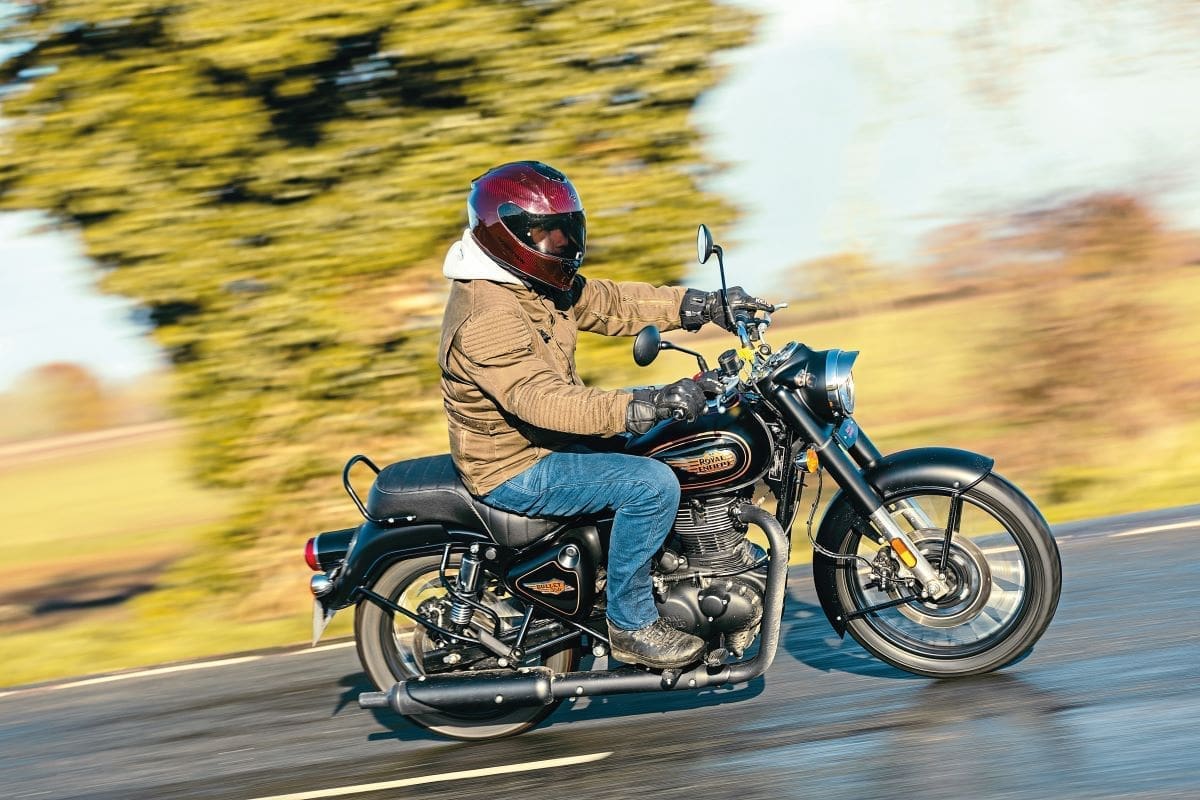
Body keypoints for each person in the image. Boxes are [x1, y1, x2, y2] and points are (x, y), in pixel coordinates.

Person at [438, 161, 771, 669]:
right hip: (516, 465)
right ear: (506, 235)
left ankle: (699, 564)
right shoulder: (488, 315)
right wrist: (645, 403)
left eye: (565, 228)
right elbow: (541, 400)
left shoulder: (529, 281)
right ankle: (632, 625)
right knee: (650, 484)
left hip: (549, 439)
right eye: (546, 231)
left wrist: (703, 306)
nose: (561, 242)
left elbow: (611, 301)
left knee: (677, 434)